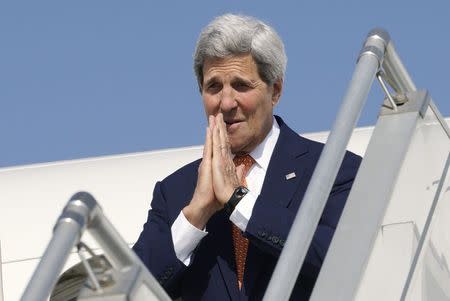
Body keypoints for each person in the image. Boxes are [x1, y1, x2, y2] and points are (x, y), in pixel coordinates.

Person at [133, 14, 361, 300]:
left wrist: (238, 200)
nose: (226, 103)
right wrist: (195, 216)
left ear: (275, 90)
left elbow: (342, 257)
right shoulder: (175, 191)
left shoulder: (334, 169)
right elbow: (130, 288)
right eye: (213, 87)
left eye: (241, 85)